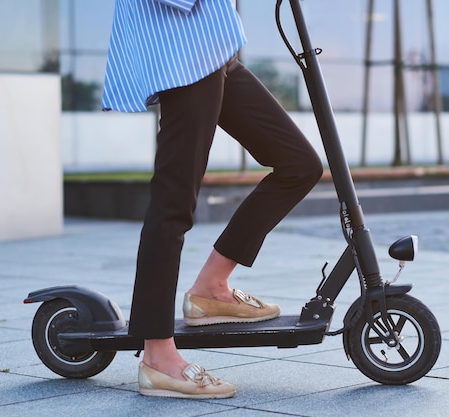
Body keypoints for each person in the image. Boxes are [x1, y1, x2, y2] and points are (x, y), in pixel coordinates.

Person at [102, 0, 323, 399]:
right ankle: (158, 356)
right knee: (173, 204)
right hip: (180, 50)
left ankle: (212, 286)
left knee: (300, 164)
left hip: (215, 47)